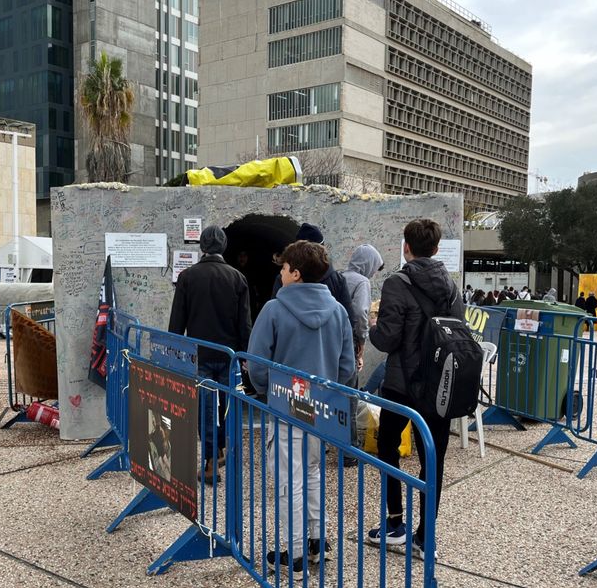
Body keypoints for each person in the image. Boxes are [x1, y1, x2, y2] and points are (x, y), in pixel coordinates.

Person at [247, 240, 356, 572]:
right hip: (321, 410)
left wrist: (268, 390)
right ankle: (317, 540)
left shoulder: (273, 310)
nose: (280, 273)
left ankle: (294, 552)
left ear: (294, 273)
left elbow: (256, 364)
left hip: (285, 407)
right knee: (312, 473)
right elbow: (347, 367)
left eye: (283, 268)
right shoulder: (338, 311)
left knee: (286, 481)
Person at [366, 218, 462, 561]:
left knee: (388, 449)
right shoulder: (451, 287)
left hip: (401, 386)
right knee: (432, 461)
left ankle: (395, 523)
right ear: (436, 249)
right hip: (440, 388)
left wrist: (373, 327)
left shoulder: (397, 283)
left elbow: (388, 338)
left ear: (406, 246)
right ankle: (426, 536)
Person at [169, 225, 252, 483]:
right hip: (228, 355)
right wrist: (245, 355)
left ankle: (209, 460)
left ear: (202, 247)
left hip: (199, 354)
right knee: (228, 406)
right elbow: (244, 323)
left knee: (204, 408)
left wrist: (174, 352)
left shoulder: (187, 277)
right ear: (225, 247)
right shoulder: (238, 278)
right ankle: (223, 446)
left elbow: (176, 321)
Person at [271, 223, 356, 331]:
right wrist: (356, 340)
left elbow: (270, 327)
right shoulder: (337, 282)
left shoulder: (285, 279)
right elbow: (349, 322)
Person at [340, 244, 384, 371]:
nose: (374, 273)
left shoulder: (339, 275)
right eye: (375, 268)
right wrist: (362, 342)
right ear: (368, 264)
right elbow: (360, 313)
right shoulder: (362, 282)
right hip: (349, 341)